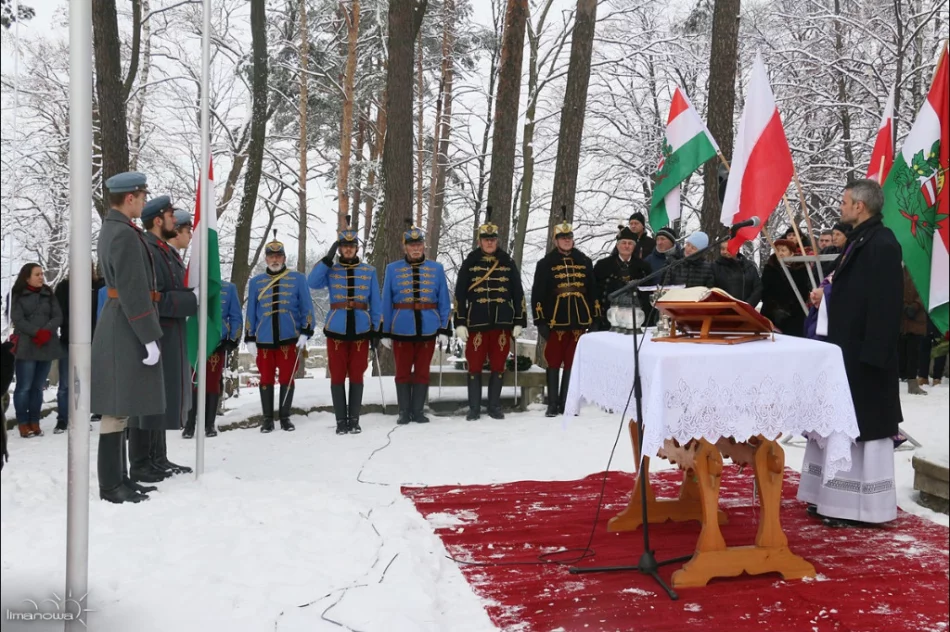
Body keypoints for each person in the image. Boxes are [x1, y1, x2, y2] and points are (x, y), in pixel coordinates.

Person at [798, 179, 902, 528]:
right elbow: (851, 292)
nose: (841, 207)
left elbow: (885, 303)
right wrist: (825, 297)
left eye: (845, 201)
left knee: (862, 428)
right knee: (839, 424)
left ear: (860, 206)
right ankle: (830, 498)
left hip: (866, 355)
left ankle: (861, 508)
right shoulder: (860, 239)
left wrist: (874, 355)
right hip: (846, 350)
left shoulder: (883, 243)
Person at [92, 171, 163, 503]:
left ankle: (119, 478)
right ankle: (111, 484)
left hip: (122, 318)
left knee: (121, 406)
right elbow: (134, 290)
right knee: (116, 408)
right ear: (130, 197)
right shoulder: (122, 234)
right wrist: (149, 336)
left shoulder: (117, 229)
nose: (145, 202)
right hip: (126, 321)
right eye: (143, 196)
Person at [125, 196, 198, 482]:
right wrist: (190, 300)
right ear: (159, 220)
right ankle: (142, 461)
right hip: (156, 331)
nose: (175, 221)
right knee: (148, 398)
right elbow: (153, 298)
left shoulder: (164, 251)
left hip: (170, 331)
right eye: (171, 216)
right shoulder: (150, 250)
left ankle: (157, 457)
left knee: (160, 397)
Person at [310, 222, 384, 433]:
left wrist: (376, 330)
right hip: (337, 329)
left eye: (351, 245)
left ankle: (355, 420)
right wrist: (327, 257)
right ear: (340, 248)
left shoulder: (368, 271)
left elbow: (376, 303)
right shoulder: (331, 270)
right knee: (337, 375)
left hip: (361, 328)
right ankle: (341, 421)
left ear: (357, 248)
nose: (348, 249)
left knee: (357, 375)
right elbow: (312, 282)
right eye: (344, 245)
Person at [454, 207, 527, 421]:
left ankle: (494, 406)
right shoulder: (470, 263)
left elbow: (518, 293)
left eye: (492, 239)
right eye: (486, 239)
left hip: (502, 322)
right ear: (479, 241)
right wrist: (459, 322)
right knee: (474, 365)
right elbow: (459, 295)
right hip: (475, 322)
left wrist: (519, 321)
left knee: (499, 365)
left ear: (497, 240)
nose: (489, 243)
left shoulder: (507, 262)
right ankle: (474, 408)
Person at [244, 236, 315, 433]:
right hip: (264, 338)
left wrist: (305, 332)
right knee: (265, 378)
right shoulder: (256, 282)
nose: (275, 260)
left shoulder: (298, 279)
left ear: (284, 258)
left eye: (278, 256)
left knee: (287, 377)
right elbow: (251, 311)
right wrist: (249, 337)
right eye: (271, 256)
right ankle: (267, 419)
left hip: (289, 337)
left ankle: (285, 417)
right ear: (266, 259)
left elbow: (306, 308)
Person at [531, 217, 597, 417]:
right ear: (555, 240)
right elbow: (538, 294)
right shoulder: (545, 264)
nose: (567, 240)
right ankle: (552, 404)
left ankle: (566, 402)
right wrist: (540, 320)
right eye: (562, 237)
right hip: (555, 319)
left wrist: (594, 317)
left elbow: (592, 291)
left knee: (572, 362)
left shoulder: (584, 261)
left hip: (579, 319)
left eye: (569, 237)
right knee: (553, 360)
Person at [183, 279, 242, 439]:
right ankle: (189, 424)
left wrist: (233, 339)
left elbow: (235, 316)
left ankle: (209, 425)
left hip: (217, 343)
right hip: (194, 342)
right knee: (193, 382)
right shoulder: (190, 285)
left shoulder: (229, 288)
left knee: (212, 383)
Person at [10, 263, 62, 438]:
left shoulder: (48, 293)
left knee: (38, 387)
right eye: (37, 274)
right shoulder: (16, 295)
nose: (41, 277)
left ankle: (35, 421)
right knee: (24, 386)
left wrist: (46, 331)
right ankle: (23, 422)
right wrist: (36, 332)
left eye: (42, 274)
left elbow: (57, 316)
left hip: (46, 345)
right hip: (26, 346)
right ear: (27, 277)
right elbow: (17, 318)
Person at [53, 261, 105, 433]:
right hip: (69, 340)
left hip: (94, 340)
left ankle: (84, 415)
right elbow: (59, 312)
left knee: (88, 381)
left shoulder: (99, 286)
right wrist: (75, 328)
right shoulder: (64, 287)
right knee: (66, 384)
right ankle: (62, 419)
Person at [593, 225, 652, 331]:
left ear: (634, 246)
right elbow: (595, 291)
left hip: (636, 319)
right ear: (617, 245)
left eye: (630, 243)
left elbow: (647, 294)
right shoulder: (602, 265)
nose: (627, 246)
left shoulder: (644, 267)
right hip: (609, 318)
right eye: (623, 243)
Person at [761, 238, 811, 336]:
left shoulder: (801, 268)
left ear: (792, 253)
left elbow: (804, 290)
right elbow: (765, 290)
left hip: (794, 313)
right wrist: (775, 307)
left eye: (783, 250)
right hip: (772, 312)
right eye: (777, 250)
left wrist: (791, 307)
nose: (780, 253)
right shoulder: (770, 268)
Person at [899, 268, 929, 395]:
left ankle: (912, 382)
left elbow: (925, 290)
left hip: (917, 318)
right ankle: (902, 377)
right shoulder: (898, 270)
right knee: (901, 350)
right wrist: (903, 305)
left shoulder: (920, 269)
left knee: (914, 350)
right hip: (901, 317)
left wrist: (916, 305)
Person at [711, 241, 762, 305]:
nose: (725, 251)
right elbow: (711, 289)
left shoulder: (749, 267)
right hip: (723, 310)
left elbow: (758, 288)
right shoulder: (715, 267)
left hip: (745, 311)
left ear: (737, 249)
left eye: (728, 249)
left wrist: (747, 305)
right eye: (722, 249)